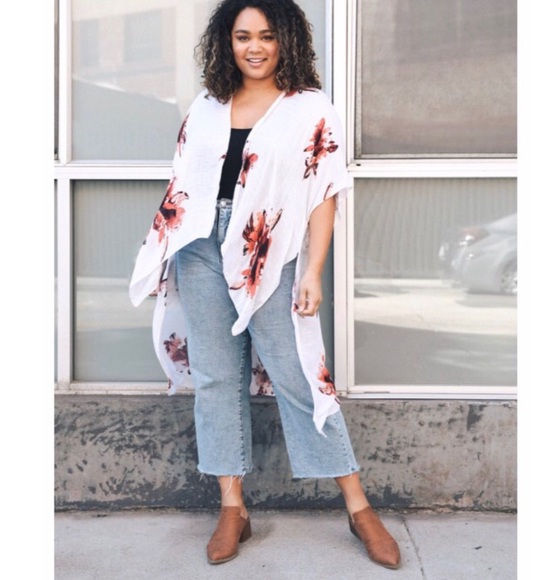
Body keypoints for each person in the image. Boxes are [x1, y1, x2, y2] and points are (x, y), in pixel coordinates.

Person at [129, 0, 400, 570]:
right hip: (200, 247)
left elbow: (323, 193)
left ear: (286, 41)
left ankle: (358, 507)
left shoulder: (309, 107)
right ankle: (233, 508)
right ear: (226, 43)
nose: (254, 47)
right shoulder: (207, 105)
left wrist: (312, 271)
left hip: (267, 251)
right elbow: (184, 181)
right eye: (242, 36)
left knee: (297, 373)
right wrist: (165, 251)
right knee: (215, 378)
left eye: (267, 36)